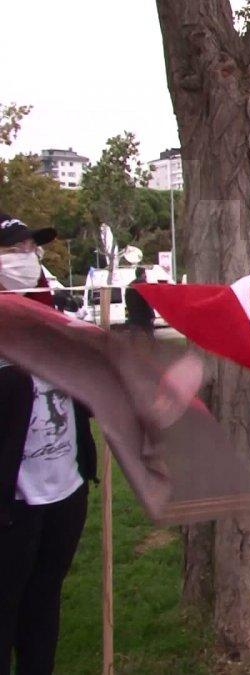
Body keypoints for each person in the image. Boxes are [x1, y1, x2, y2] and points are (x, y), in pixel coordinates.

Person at [0, 217, 98, 675]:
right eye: (15, 248)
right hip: (14, 502)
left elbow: (85, 399)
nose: (28, 256)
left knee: (45, 598)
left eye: (30, 248)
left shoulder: (55, 321)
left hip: (64, 491)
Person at [124, 267, 155, 335]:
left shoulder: (130, 286)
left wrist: (130, 312)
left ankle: (131, 346)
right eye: (145, 274)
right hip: (145, 316)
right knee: (150, 337)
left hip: (133, 316)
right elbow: (148, 302)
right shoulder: (144, 285)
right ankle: (153, 346)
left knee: (134, 338)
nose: (146, 276)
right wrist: (152, 315)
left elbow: (127, 301)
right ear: (142, 274)